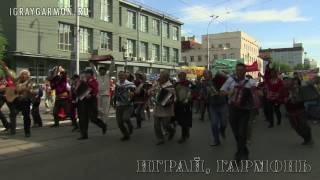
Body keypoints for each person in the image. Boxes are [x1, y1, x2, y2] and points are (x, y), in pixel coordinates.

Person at [220, 63, 258, 162]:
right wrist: (229, 93)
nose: (239, 72)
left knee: (242, 133)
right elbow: (221, 91)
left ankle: (238, 155)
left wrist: (257, 94)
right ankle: (244, 150)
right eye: (238, 70)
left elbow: (257, 94)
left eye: (242, 70)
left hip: (245, 110)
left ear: (245, 71)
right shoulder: (230, 80)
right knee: (236, 133)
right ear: (236, 71)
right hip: (232, 109)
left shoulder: (250, 82)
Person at [282, 77, 313, 145]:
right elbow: (282, 100)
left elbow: (305, 96)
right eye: (284, 82)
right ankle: (306, 138)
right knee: (295, 127)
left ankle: (308, 138)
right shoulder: (283, 90)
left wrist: (295, 95)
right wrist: (287, 98)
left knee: (303, 125)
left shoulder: (298, 89)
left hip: (300, 110)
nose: (286, 83)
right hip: (290, 112)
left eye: (287, 81)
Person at [77, 69, 107, 140]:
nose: (86, 75)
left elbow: (96, 91)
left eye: (87, 74)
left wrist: (91, 95)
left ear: (91, 74)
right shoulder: (84, 82)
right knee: (83, 119)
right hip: (84, 102)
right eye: (85, 73)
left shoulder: (94, 81)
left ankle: (103, 125)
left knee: (93, 118)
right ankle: (84, 135)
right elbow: (79, 90)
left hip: (92, 102)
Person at [148, 71, 176, 145]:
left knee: (165, 125)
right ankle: (160, 139)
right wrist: (151, 92)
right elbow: (149, 91)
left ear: (166, 78)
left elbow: (174, 99)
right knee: (156, 124)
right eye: (159, 76)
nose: (159, 78)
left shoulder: (170, 86)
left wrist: (169, 101)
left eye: (161, 77)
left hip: (166, 109)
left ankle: (171, 131)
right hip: (157, 107)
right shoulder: (157, 85)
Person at [202, 70, 228, 146]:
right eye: (204, 75)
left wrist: (220, 92)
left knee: (224, 123)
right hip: (212, 106)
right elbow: (204, 96)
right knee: (214, 124)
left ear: (210, 75)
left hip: (222, 104)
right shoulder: (204, 84)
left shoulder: (217, 80)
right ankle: (216, 140)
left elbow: (225, 81)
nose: (206, 76)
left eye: (207, 74)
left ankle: (222, 130)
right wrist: (207, 94)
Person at [8, 69, 34, 137]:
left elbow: (32, 90)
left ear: (28, 75)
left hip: (26, 101)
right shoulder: (18, 81)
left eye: (25, 74)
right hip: (17, 101)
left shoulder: (30, 82)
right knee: (12, 114)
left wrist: (28, 89)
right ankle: (12, 129)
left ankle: (27, 132)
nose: (23, 75)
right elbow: (17, 89)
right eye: (22, 74)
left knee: (26, 117)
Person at [90, 60, 115, 125]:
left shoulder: (108, 75)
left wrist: (112, 61)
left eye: (103, 70)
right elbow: (94, 69)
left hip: (106, 95)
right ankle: (102, 120)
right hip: (99, 95)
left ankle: (104, 123)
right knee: (98, 109)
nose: (102, 71)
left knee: (106, 110)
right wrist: (91, 62)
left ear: (105, 71)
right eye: (100, 70)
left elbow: (111, 68)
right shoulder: (97, 75)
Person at [113, 71, 136, 141]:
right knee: (119, 122)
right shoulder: (117, 84)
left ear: (125, 76)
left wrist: (131, 94)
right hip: (119, 105)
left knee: (125, 118)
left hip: (128, 105)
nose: (121, 77)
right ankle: (126, 135)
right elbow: (115, 94)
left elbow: (133, 92)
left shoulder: (130, 84)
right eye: (119, 76)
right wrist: (114, 102)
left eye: (122, 76)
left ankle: (130, 126)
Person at [264, 60, 284, 128]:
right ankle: (271, 123)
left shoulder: (279, 81)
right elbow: (266, 74)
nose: (272, 74)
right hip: (269, 98)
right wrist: (267, 66)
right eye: (271, 73)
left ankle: (279, 120)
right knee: (270, 111)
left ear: (275, 73)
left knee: (276, 110)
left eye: (273, 73)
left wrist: (278, 93)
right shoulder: (268, 80)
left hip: (277, 98)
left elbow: (281, 88)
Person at [174, 71, 192, 144]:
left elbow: (192, 92)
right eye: (180, 76)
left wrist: (187, 99)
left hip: (187, 104)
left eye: (182, 76)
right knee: (180, 120)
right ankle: (186, 130)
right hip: (178, 104)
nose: (181, 77)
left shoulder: (189, 83)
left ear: (185, 76)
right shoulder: (176, 84)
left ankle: (183, 136)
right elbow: (174, 93)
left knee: (184, 120)